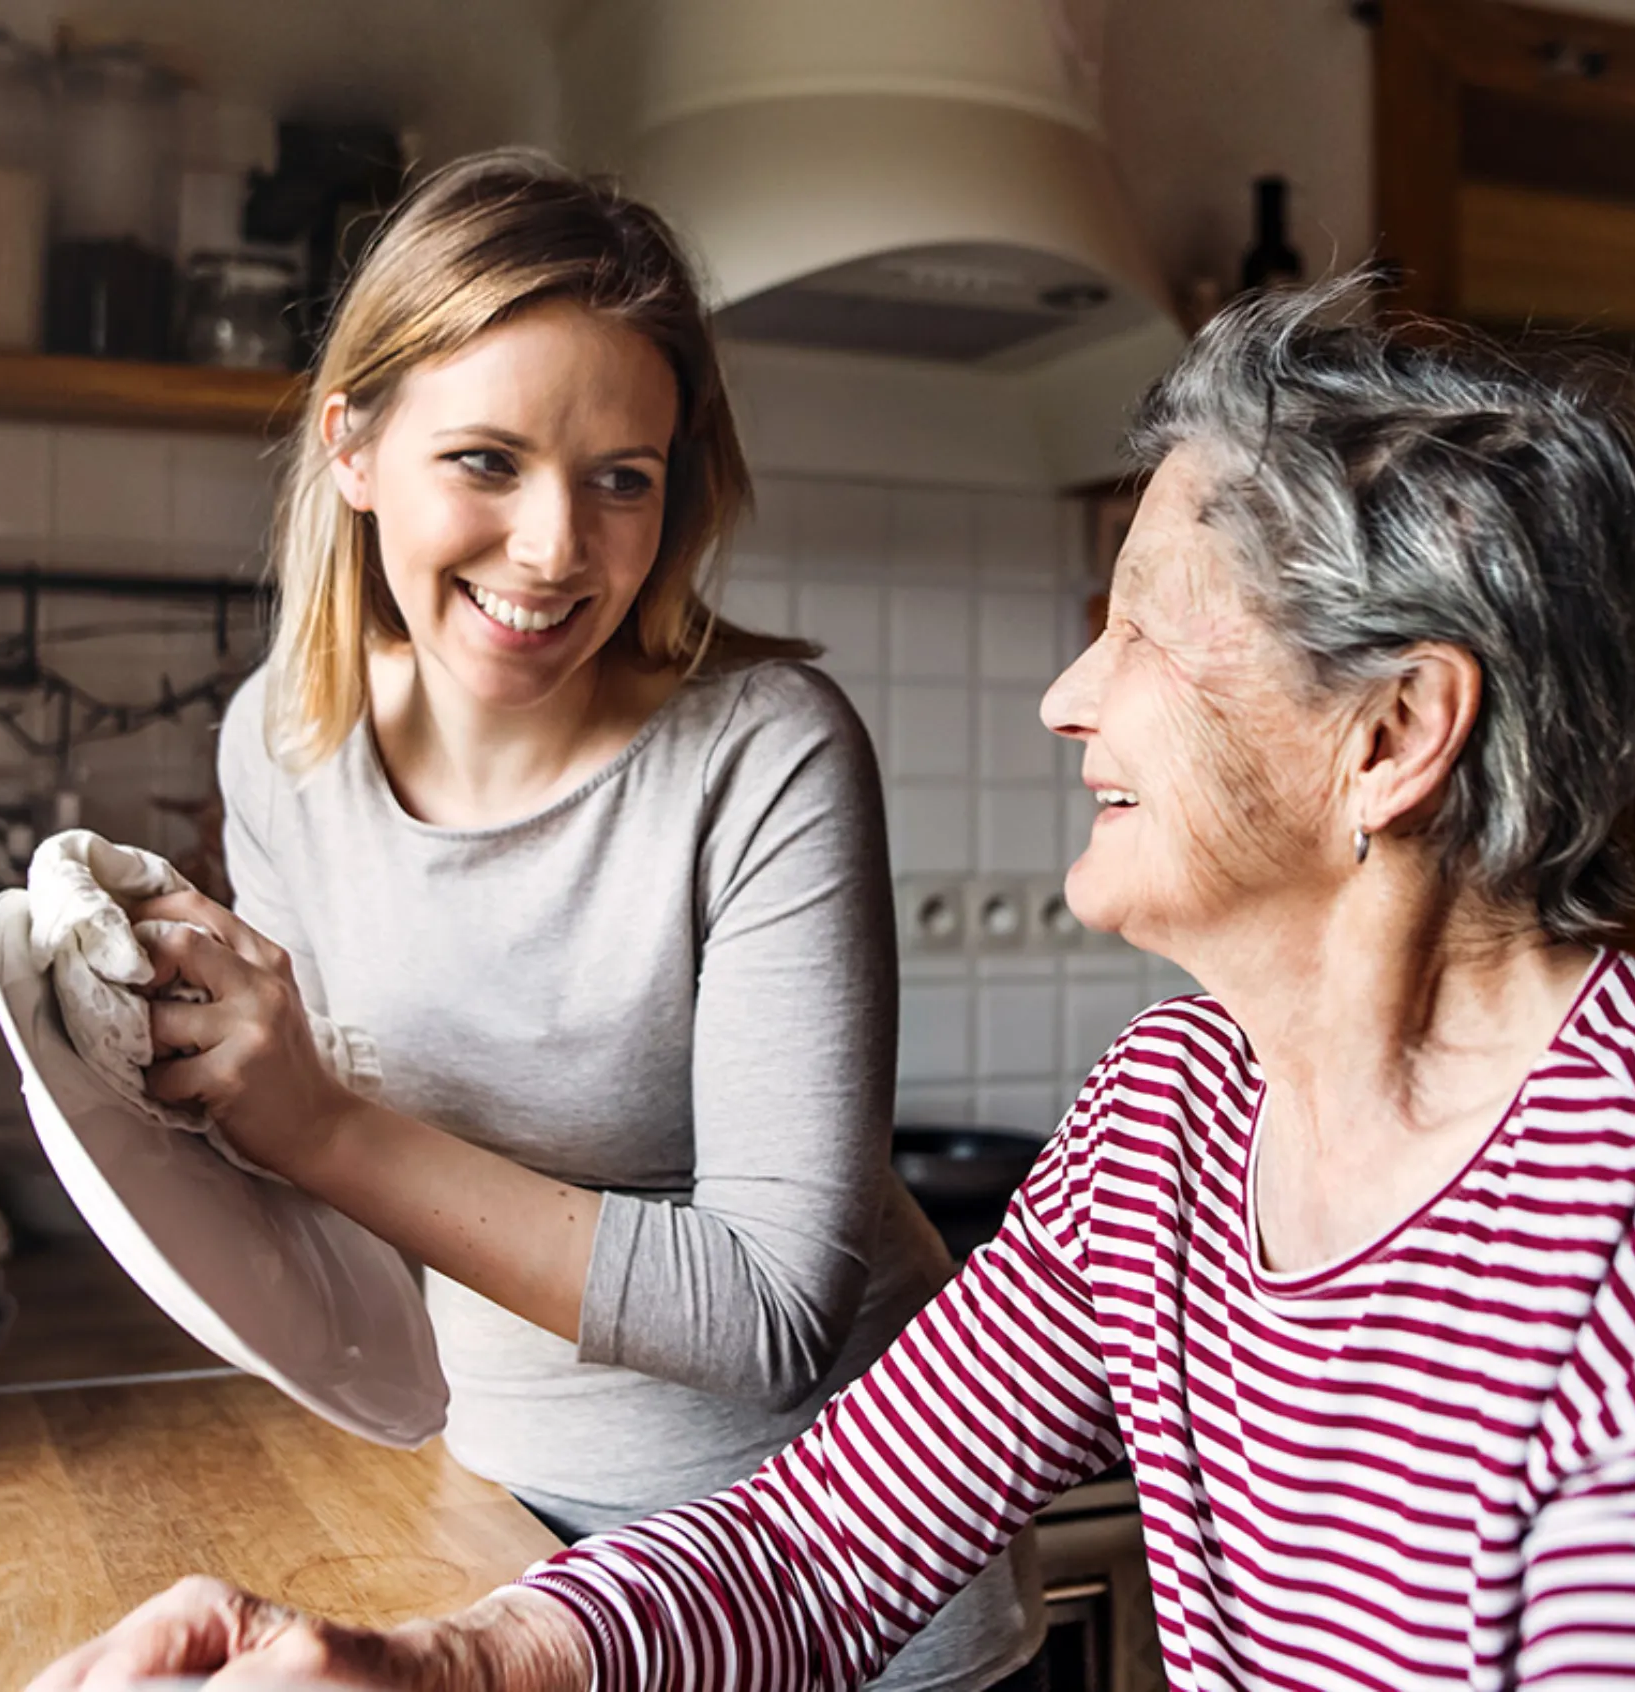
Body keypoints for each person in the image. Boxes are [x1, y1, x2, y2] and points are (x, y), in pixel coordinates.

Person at [35, 276, 1635, 1691]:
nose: (1062, 697)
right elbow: (822, 1544)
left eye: (1133, 626)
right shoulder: (1172, 1122)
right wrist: (441, 1666)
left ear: (1389, 737)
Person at [105, 148, 1040, 1692]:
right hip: (501, 1533)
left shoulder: (768, 753)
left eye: (623, 478)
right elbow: (321, 1204)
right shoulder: (283, 743)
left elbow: (772, 1311)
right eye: (486, 459)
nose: (555, 550)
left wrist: (316, 1124)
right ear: (353, 447)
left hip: (839, 1590)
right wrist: (175, 1084)